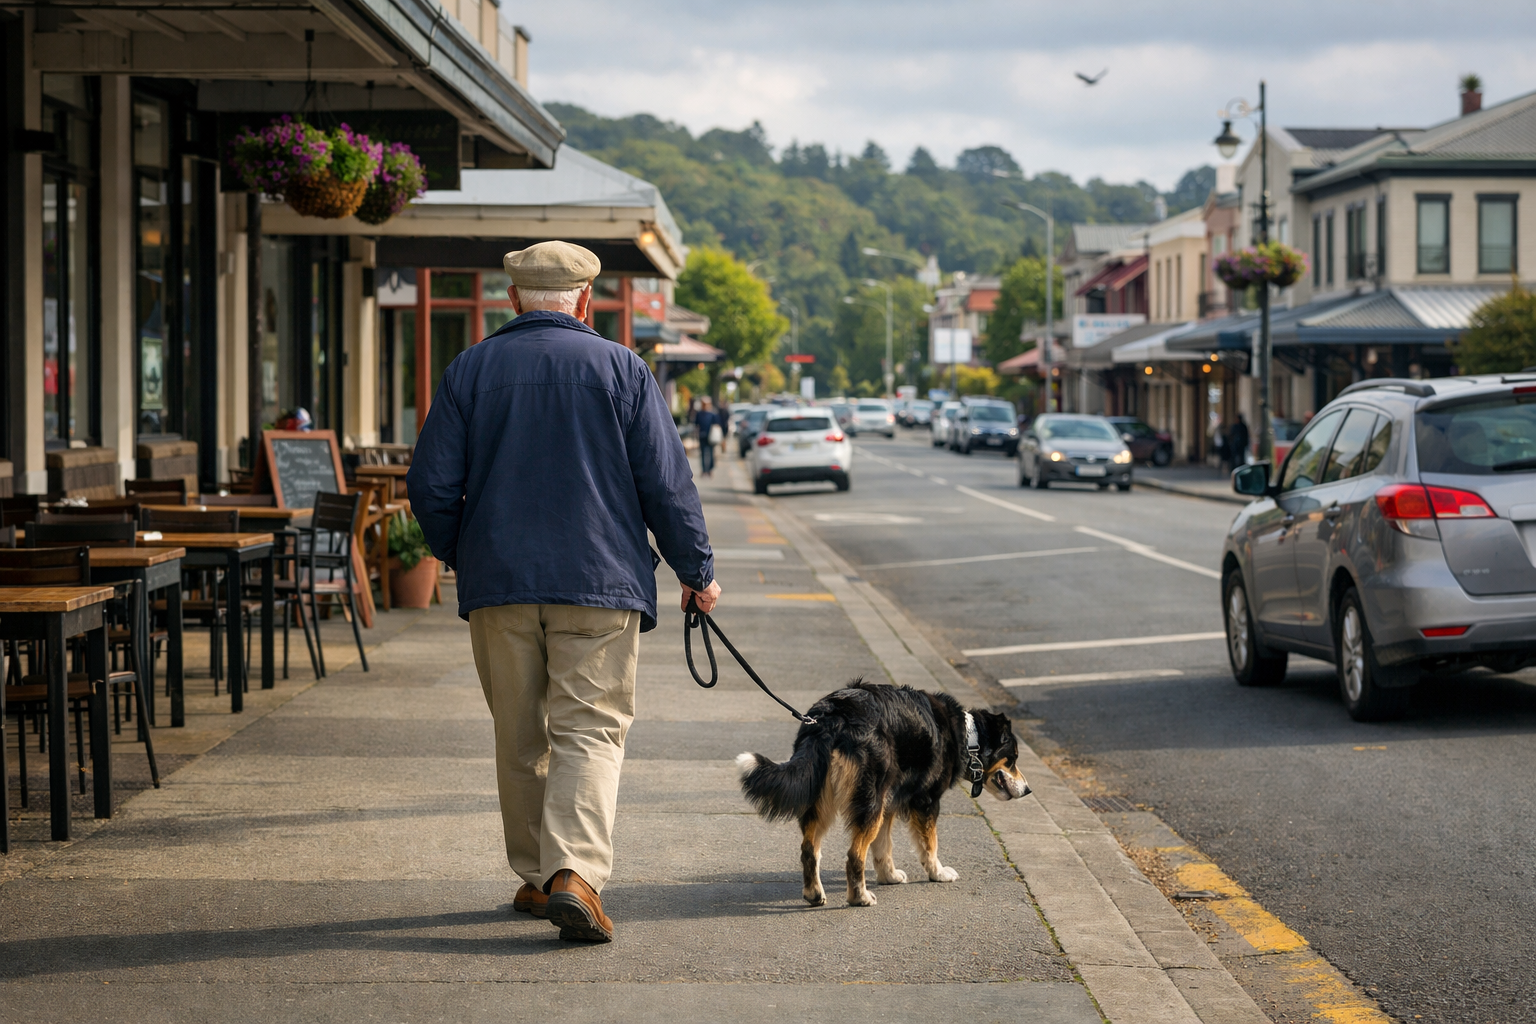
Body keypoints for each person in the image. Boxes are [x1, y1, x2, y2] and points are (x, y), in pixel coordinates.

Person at [407, 240, 720, 945]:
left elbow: (427, 484)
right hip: (599, 581)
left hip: (500, 584)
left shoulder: (469, 370)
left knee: (519, 733)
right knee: (590, 728)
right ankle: (574, 874)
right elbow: (666, 486)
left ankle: (537, 876)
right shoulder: (622, 369)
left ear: (513, 299)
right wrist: (696, 572)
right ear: (584, 301)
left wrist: (464, 552)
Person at [694, 397, 722, 477]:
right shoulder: (699, 414)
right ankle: (704, 470)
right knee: (703, 453)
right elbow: (696, 425)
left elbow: (717, 424)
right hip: (702, 435)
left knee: (711, 453)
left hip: (711, 436)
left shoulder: (712, 414)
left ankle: (709, 469)